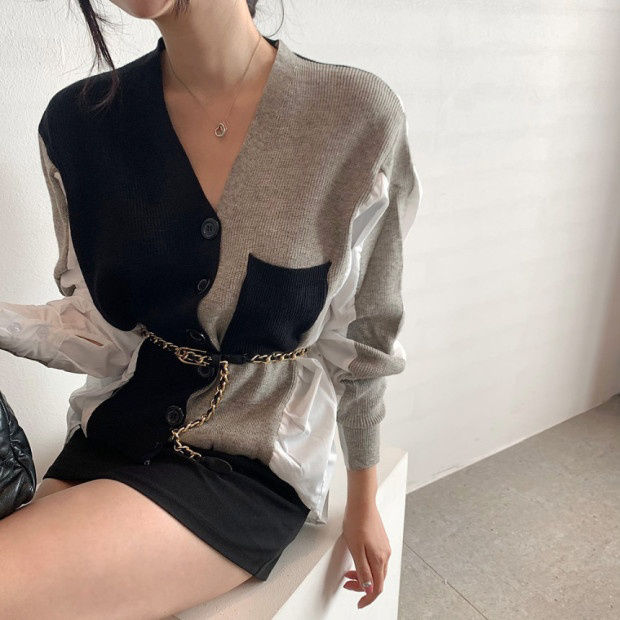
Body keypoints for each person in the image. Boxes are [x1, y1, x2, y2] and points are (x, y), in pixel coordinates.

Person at [0, 0, 422, 616]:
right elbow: (102, 333)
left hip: (249, 463)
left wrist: (364, 498)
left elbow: (364, 332)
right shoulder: (77, 125)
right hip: (117, 433)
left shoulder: (354, 115)